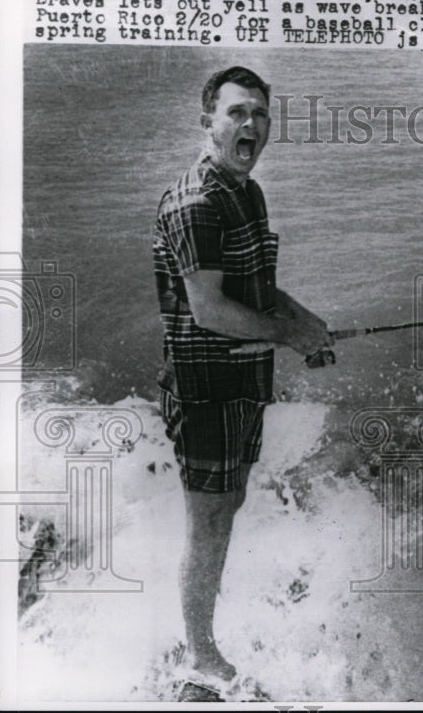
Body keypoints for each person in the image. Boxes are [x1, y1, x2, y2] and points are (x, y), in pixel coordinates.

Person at [153, 66, 332, 684]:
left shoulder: (245, 191)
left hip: (239, 383)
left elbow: (253, 287)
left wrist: (304, 321)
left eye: (259, 113)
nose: (250, 123)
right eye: (236, 112)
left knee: (226, 506)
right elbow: (209, 309)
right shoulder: (197, 201)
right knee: (208, 521)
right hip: (205, 389)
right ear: (208, 122)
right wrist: (289, 335)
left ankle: (202, 630)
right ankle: (200, 658)